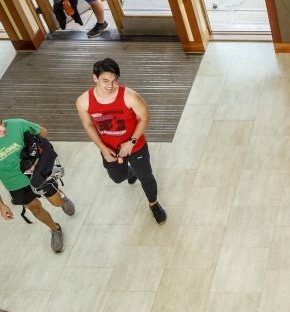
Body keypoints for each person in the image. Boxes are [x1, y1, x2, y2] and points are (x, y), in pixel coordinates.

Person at [75, 58, 166, 224]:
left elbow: (145, 117)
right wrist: (102, 148)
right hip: (109, 149)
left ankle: (153, 204)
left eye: (114, 80)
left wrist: (131, 142)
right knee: (117, 178)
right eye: (105, 81)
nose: (110, 85)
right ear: (95, 78)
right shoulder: (83, 101)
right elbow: (88, 125)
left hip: (135, 146)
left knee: (146, 177)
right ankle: (131, 172)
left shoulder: (130, 97)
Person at [0, 117, 75, 252]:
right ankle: (55, 229)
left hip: (38, 173)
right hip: (15, 184)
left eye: (0, 123)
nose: (3, 129)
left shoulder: (17, 124)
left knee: (56, 202)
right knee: (35, 209)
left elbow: (43, 133)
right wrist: (1, 206)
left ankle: (63, 198)